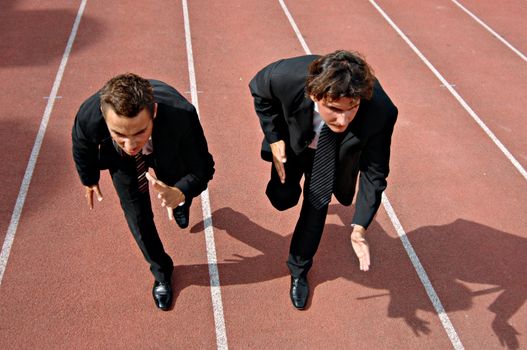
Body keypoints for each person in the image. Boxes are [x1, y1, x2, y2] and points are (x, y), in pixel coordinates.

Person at [249, 50, 397, 310]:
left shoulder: (381, 111)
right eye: (335, 109)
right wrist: (274, 138)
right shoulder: (283, 77)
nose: (343, 119)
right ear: (314, 94)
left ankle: (299, 270)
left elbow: (375, 172)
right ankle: (285, 190)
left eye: (352, 109)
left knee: (315, 209)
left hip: (333, 154)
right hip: (294, 144)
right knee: (282, 199)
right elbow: (259, 92)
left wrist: (360, 227)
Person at [72, 73, 214, 310]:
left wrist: (180, 192)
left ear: (154, 112)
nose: (130, 145)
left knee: (176, 185)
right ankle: (161, 271)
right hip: (124, 167)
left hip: (167, 151)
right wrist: (89, 178)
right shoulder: (89, 116)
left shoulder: (182, 115)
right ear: (105, 120)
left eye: (139, 132)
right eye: (119, 134)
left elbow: (204, 168)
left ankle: (180, 205)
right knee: (137, 217)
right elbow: (81, 144)